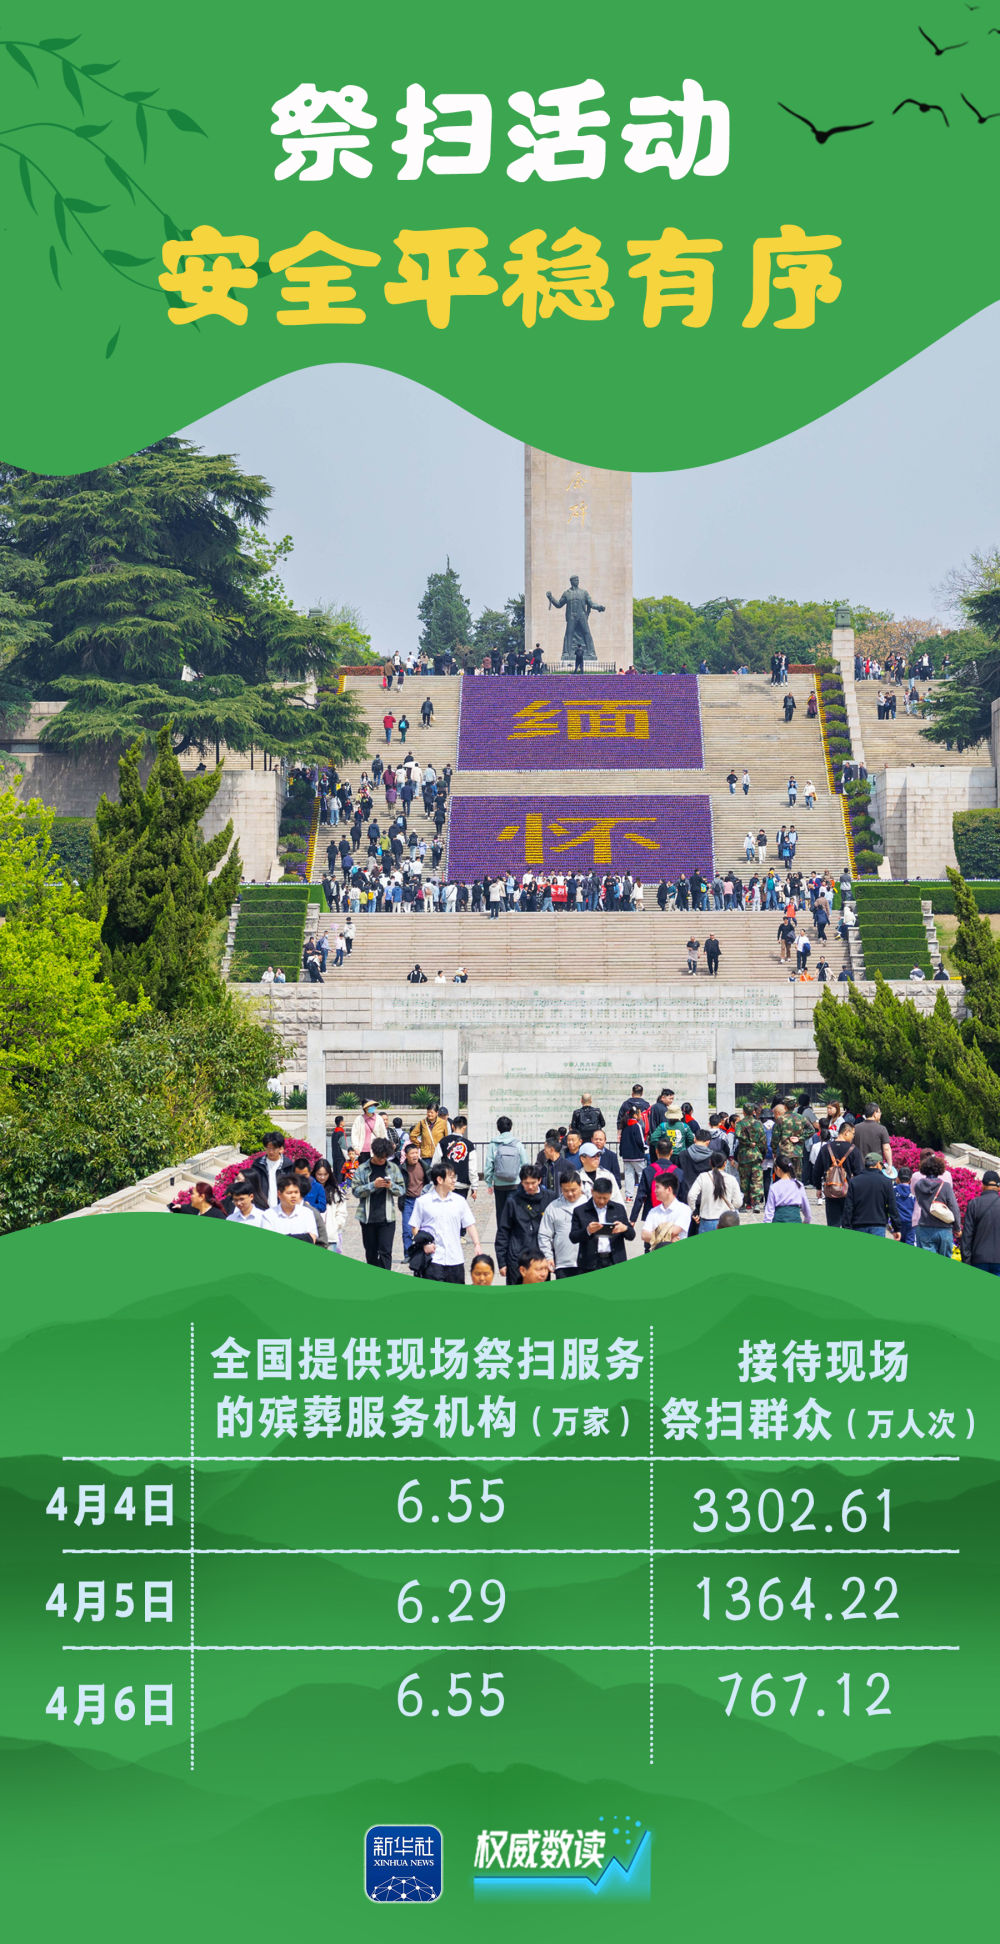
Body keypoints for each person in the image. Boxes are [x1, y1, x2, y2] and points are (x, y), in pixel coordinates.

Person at [413, 1162, 481, 1282]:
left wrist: (477, 1244)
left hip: (455, 1259)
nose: (454, 1180)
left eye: (454, 1177)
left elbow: (470, 1224)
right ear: (440, 1179)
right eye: (451, 1177)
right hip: (433, 1260)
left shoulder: (459, 1201)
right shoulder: (423, 1202)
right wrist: (424, 1245)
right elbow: (415, 1227)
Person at [352, 1138, 406, 1270]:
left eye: (385, 1157)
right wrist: (373, 1185)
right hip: (367, 1217)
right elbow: (355, 1191)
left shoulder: (392, 1168)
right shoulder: (362, 1169)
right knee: (371, 1253)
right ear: (374, 1153)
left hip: (387, 1218)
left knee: (385, 1252)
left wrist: (390, 1186)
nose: (382, 1160)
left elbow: (401, 1190)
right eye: (380, 1157)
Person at [495, 1165, 556, 1281]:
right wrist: (502, 1262)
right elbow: (503, 1231)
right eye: (526, 1183)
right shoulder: (513, 1201)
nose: (530, 1186)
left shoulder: (550, 1198)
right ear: (521, 1182)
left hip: (541, 1257)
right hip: (517, 1257)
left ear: (539, 1180)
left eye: (533, 1183)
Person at [569, 1176, 636, 1271]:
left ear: (610, 1194)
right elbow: (573, 1237)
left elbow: (631, 1236)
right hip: (590, 1263)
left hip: (614, 1260)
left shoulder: (618, 1209)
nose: (601, 1201)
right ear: (592, 1192)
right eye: (598, 1197)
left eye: (605, 1198)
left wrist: (625, 1228)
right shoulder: (580, 1211)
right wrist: (587, 1231)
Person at [538, 1170, 588, 1277]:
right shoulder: (553, 1207)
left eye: (573, 1190)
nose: (570, 1194)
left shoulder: (590, 1205)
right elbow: (544, 1235)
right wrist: (548, 1257)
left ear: (580, 1185)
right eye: (565, 1190)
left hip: (588, 1264)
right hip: (563, 1265)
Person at [910, 1153, 960, 1255]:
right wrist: (957, 1227)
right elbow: (954, 1207)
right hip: (944, 1229)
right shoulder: (945, 1186)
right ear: (940, 1169)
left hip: (924, 1227)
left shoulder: (918, 1185)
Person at [843, 1153, 900, 1239]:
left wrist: (846, 1226)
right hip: (878, 1225)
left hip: (858, 1224)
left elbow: (848, 1207)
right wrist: (896, 1228)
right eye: (881, 1166)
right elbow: (892, 1207)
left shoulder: (854, 1181)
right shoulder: (886, 1182)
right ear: (878, 1164)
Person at [483, 1116, 529, 1225]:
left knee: (501, 1213)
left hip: (499, 1184)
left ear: (498, 1128)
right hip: (515, 1184)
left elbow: (489, 1165)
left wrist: (489, 1182)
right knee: (515, 1212)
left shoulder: (493, 1144)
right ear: (510, 1128)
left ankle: (502, 1233)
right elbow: (525, 1164)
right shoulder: (517, 1144)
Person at [813, 1122, 858, 1226]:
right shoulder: (853, 1149)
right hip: (847, 1191)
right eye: (853, 1134)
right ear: (846, 1132)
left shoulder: (826, 1148)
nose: (853, 1137)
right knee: (848, 1224)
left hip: (831, 1190)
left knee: (833, 1224)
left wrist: (818, 1188)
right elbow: (859, 1173)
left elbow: (817, 1170)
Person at [687, 1157, 742, 1230]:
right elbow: (738, 1202)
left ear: (710, 1162)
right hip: (726, 1221)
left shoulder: (703, 1177)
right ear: (725, 1163)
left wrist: (693, 1211)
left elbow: (691, 1196)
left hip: (706, 1221)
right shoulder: (731, 1179)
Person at [962, 1170, 1000, 1273]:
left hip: (979, 1258)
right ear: (998, 1187)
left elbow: (967, 1236)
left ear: (982, 1186)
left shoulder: (974, 1204)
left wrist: (966, 1260)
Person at [433, 1114, 479, 1200]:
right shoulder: (469, 1145)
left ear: (452, 1126)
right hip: (462, 1184)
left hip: (446, 1182)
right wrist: (474, 1186)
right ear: (464, 1127)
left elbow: (435, 1163)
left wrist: (434, 1182)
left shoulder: (443, 1142)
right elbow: (472, 1168)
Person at [263, 1174, 319, 1242]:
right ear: (279, 1194)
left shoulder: (307, 1213)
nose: (293, 1196)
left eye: (296, 1192)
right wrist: (302, 1237)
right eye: (289, 1193)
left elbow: (312, 1238)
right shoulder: (268, 1215)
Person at [641, 1174, 691, 1246]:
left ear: (669, 1189)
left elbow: (674, 1231)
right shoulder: (653, 1211)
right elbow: (644, 1235)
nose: (655, 1191)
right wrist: (668, 1238)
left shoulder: (684, 1209)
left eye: (657, 1187)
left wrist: (654, 1234)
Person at [399, 1142, 431, 1254]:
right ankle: (408, 1254)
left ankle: (423, 1252)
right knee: (407, 1230)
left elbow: (431, 1182)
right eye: (412, 1153)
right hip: (408, 1201)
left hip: (421, 1201)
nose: (415, 1156)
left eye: (416, 1153)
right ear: (406, 1155)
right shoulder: (402, 1169)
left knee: (423, 1229)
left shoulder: (424, 1166)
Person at [246, 1131, 287, 1210]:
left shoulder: (288, 1166)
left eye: (274, 1148)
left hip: (282, 1209)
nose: (270, 1152)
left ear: (281, 1148)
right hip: (261, 1208)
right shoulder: (258, 1165)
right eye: (268, 1148)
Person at [763, 1158, 812, 1223]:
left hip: (779, 1221)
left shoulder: (774, 1187)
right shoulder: (799, 1185)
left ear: (777, 1169)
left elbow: (769, 1211)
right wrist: (807, 1221)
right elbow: (806, 1208)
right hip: (795, 1220)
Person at [852, 1103, 892, 1167]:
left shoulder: (856, 1128)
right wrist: (890, 1165)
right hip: (876, 1166)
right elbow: (886, 1148)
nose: (880, 1114)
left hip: (859, 1166)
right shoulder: (881, 1129)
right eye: (879, 1112)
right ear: (874, 1113)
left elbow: (851, 1146)